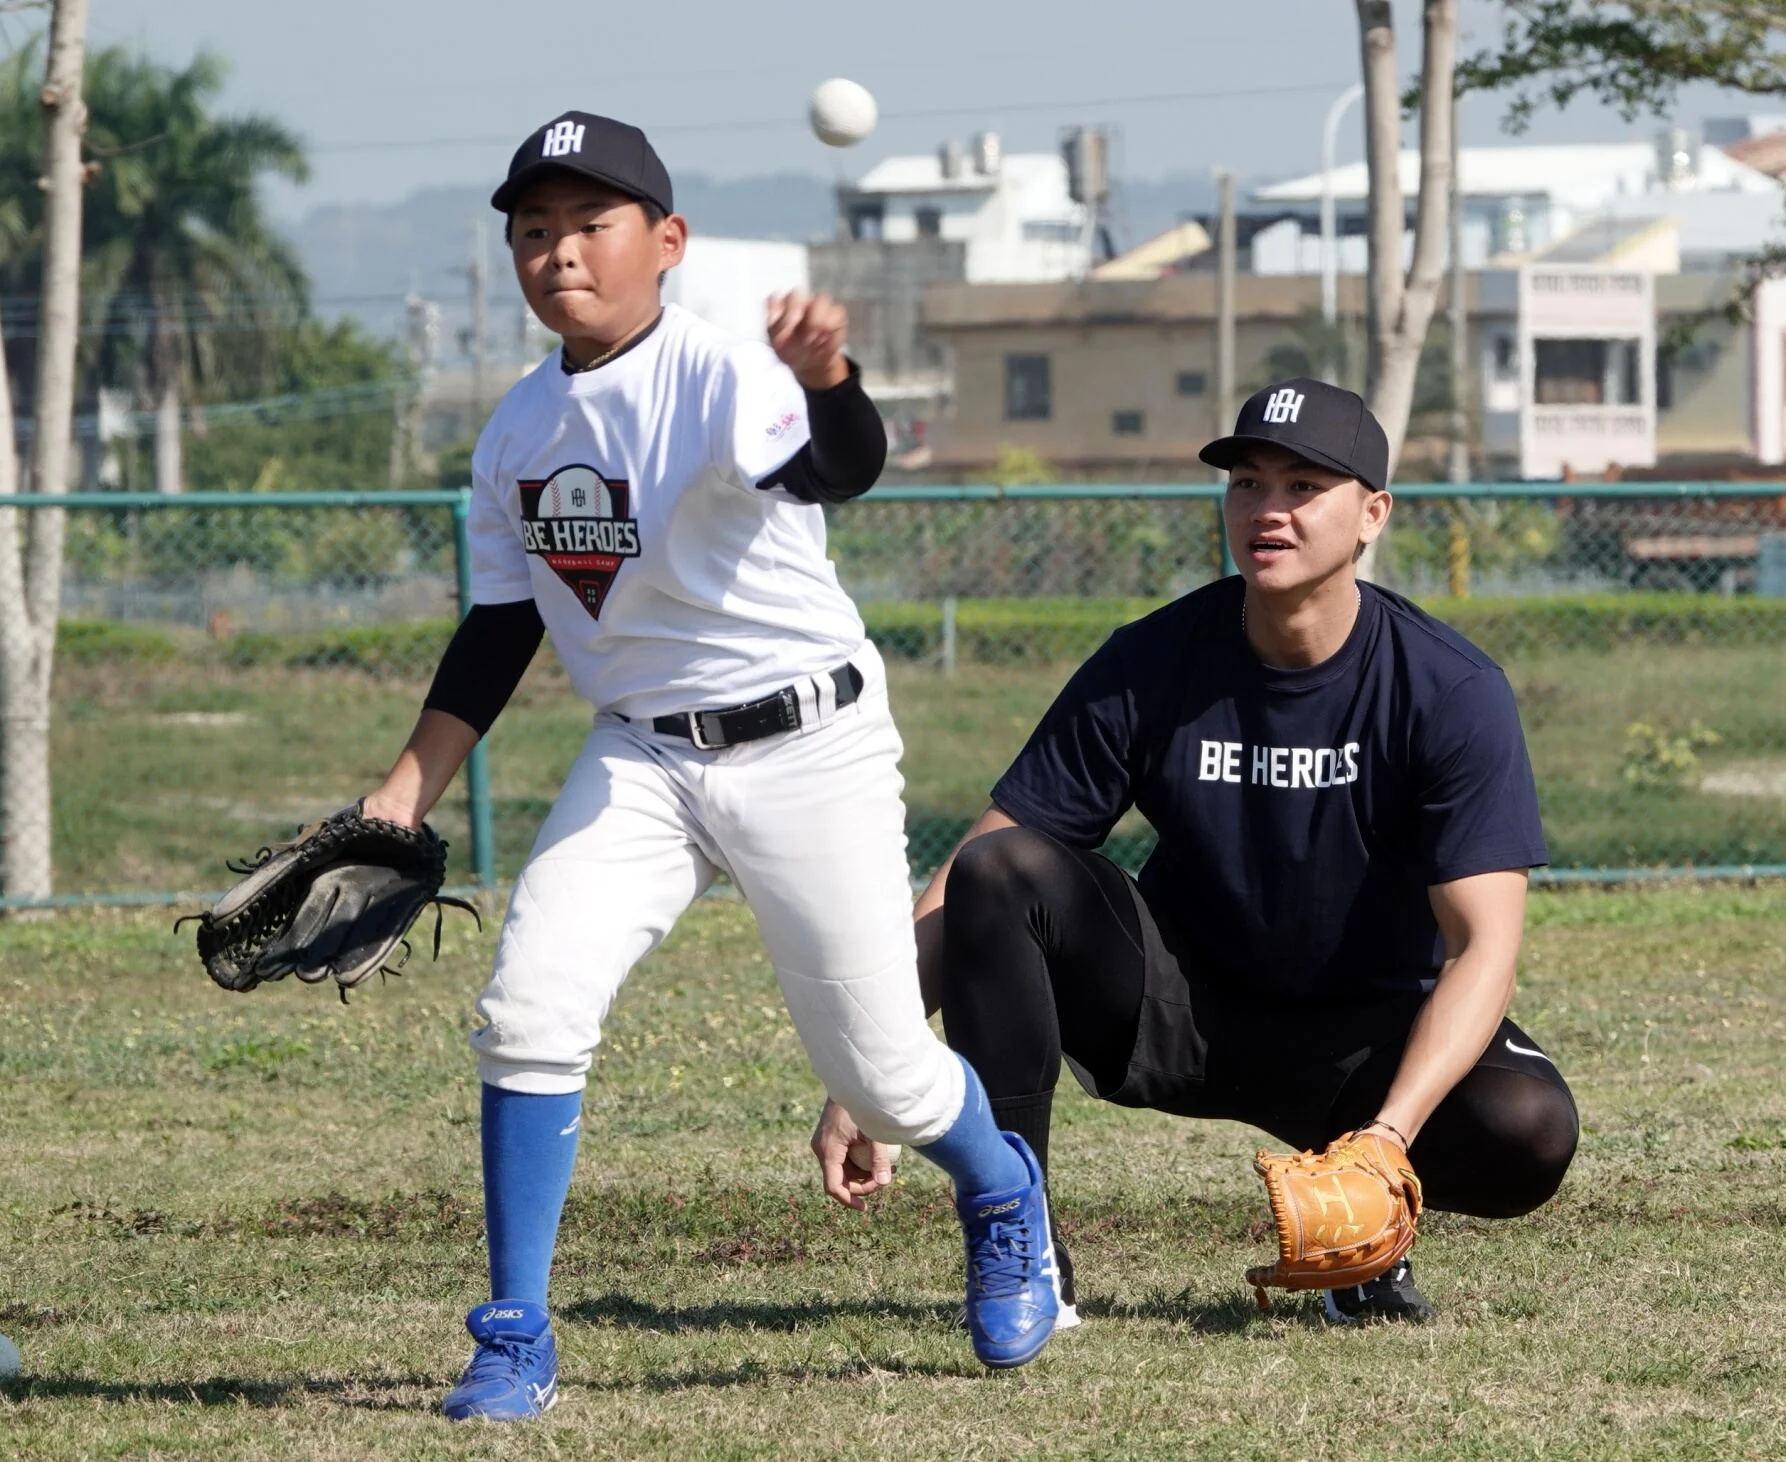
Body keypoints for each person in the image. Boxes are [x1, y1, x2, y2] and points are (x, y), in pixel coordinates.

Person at [363, 111, 1060, 1422]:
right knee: (530, 1007)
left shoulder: (725, 373)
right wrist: (409, 784)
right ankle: (516, 1332)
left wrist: (834, 376)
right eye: (533, 228)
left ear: (666, 242)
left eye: (590, 223)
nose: (557, 250)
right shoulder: (515, 430)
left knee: (881, 1073)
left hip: (807, 742)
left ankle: (998, 1180)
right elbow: (503, 622)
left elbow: (840, 469)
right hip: (640, 753)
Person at [814, 378, 1579, 1325]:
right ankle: (1017, 1238)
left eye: (1305, 486)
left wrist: (1386, 1141)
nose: (1269, 510)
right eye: (1248, 484)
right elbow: (983, 865)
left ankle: (1364, 1247)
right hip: (1184, 1016)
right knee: (1002, 870)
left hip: (1365, 1046)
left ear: (1372, 514)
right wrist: (873, 1062)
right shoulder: (1156, 658)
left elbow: (1483, 948)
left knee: (1528, 1131)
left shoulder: (1448, 688)